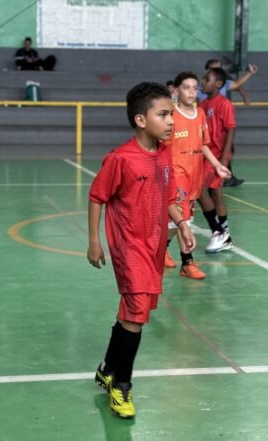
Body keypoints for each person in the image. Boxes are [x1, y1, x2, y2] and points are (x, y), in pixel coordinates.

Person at [88, 82, 195, 419]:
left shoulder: (163, 154)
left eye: (171, 114)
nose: (171, 121)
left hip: (153, 245)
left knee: (133, 312)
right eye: (163, 115)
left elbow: (167, 198)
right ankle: (121, 387)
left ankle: (107, 369)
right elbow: (97, 197)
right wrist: (94, 241)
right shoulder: (120, 158)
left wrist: (181, 224)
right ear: (140, 120)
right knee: (136, 314)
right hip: (129, 247)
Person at [164, 71, 231, 278]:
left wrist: (217, 165)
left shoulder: (200, 113)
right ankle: (187, 263)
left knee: (177, 221)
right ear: (177, 90)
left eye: (195, 88)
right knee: (184, 220)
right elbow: (160, 146)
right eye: (186, 88)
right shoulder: (170, 114)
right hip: (177, 175)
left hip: (195, 174)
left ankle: (160, 249)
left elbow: (203, 145)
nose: (191, 92)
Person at [198, 59, 257, 187]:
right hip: (207, 148)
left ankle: (227, 175)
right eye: (213, 69)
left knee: (202, 187)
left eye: (219, 68)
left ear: (218, 83)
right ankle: (226, 177)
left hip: (218, 148)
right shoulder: (201, 97)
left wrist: (249, 74)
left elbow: (237, 84)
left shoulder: (224, 102)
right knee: (213, 189)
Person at [199, 67, 236, 254]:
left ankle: (218, 231)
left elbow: (230, 130)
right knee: (216, 194)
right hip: (206, 154)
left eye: (207, 79)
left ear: (218, 84)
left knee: (199, 190)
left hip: (217, 155)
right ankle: (226, 238)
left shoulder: (224, 104)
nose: (202, 82)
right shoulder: (203, 104)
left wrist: (222, 159)